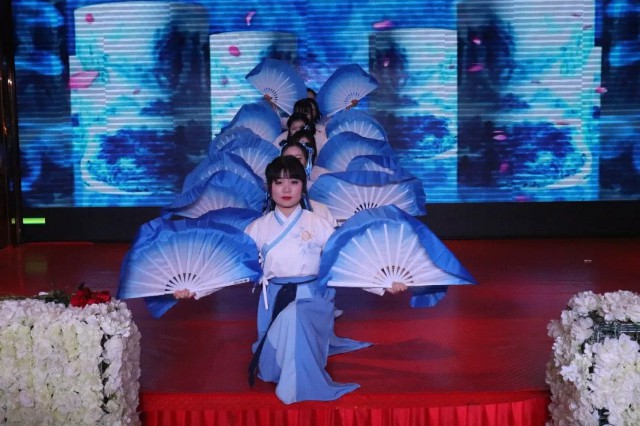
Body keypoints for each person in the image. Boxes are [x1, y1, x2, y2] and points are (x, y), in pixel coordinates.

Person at [175, 157, 406, 404]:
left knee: (295, 316)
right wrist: (196, 289)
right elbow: (233, 267)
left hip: (311, 298)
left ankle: (296, 390)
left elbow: (345, 262)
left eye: (294, 182)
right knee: (272, 369)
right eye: (279, 182)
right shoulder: (257, 227)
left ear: (303, 186)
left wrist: (383, 284)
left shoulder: (319, 224)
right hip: (273, 298)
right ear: (270, 187)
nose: (286, 189)